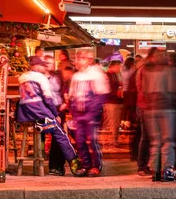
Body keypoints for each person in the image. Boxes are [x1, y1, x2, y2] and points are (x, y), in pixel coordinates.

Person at [16, 57, 81, 175]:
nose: (44, 67)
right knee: (61, 134)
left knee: (46, 131)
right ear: (36, 66)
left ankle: (40, 151)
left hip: (26, 115)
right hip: (40, 113)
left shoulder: (22, 78)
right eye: (41, 65)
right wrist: (55, 115)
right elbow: (48, 99)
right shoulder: (41, 78)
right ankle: (74, 162)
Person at [69, 49, 110, 177]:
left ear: (89, 60)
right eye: (78, 58)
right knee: (80, 140)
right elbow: (72, 95)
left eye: (82, 58)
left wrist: (93, 112)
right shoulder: (76, 76)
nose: (78, 61)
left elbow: (101, 95)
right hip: (79, 113)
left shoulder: (96, 74)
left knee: (92, 140)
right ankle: (86, 165)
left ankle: (95, 165)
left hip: (90, 112)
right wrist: (73, 111)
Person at [142, 50, 176, 182]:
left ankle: (155, 170)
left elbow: (143, 89)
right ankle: (167, 169)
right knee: (168, 140)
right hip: (167, 108)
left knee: (155, 141)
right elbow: (174, 89)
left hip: (150, 108)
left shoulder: (146, 71)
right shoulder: (169, 71)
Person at [135, 48, 158, 177]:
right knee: (146, 137)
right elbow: (144, 88)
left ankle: (145, 165)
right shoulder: (146, 69)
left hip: (147, 105)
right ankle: (142, 166)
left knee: (148, 137)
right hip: (146, 106)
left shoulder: (146, 69)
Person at [104, 60, 124, 148]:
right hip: (111, 102)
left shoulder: (116, 75)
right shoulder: (108, 76)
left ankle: (113, 140)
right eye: (119, 66)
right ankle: (113, 141)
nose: (120, 68)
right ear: (113, 66)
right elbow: (109, 89)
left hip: (116, 101)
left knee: (115, 123)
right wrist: (118, 92)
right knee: (113, 123)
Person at [121, 57, 137, 129]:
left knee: (126, 107)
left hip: (124, 91)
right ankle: (129, 123)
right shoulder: (132, 71)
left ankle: (123, 121)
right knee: (131, 108)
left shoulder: (122, 70)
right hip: (130, 91)